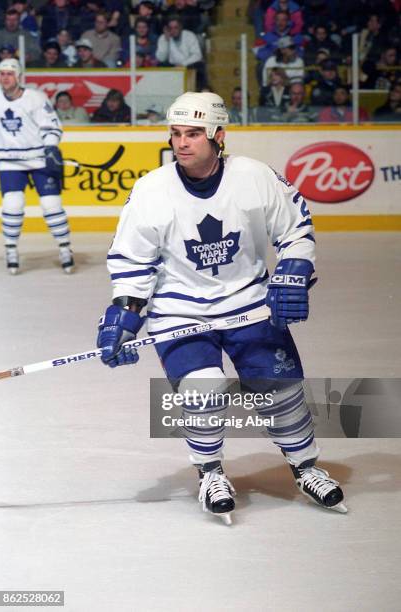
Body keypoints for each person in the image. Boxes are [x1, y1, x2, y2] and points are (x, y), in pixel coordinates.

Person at [96, 91, 347, 524]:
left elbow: (296, 229)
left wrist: (293, 268)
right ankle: (210, 472)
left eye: (193, 133)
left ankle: (306, 467)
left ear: (218, 136)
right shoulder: (151, 190)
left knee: (280, 388)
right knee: (204, 390)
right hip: (180, 313)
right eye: (176, 133)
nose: (181, 143)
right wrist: (124, 314)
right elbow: (133, 261)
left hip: (248, 304)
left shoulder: (254, 177)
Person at [0, 59, 74, 274]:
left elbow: (52, 127)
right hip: (9, 161)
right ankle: (11, 249)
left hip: (39, 158)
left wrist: (50, 148)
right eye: (2, 73)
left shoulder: (36, 98)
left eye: (10, 74)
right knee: (12, 204)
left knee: (51, 205)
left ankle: (65, 248)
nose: (5, 77)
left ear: (19, 76)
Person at [155, 17, 207, 90]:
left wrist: (183, 64)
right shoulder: (163, 38)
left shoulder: (189, 35)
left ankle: (201, 90)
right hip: (172, 66)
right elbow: (161, 58)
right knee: (160, 65)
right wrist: (166, 41)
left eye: (176, 27)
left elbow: (197, 55)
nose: (173, 30)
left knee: (200, 65)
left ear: (180, 27)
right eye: (170, 28)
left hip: (188, 64)